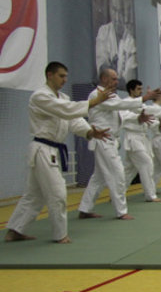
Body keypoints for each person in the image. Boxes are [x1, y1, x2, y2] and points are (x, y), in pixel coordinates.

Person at [5, 62, 113, 243]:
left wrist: (90, 132)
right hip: (43, 149)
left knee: (34, 195)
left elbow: (73, 120)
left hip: (52, 150)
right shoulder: (40, 96)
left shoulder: (63, 97)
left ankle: (15, 230)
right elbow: (65, 110)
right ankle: (60, 234)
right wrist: (93, 102)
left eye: (66, 76)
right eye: (61, 76)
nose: (64, 80)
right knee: (57, 193)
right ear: (50, 75)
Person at [78, 68, 161, 220]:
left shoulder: (112, 96)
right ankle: (121, 211)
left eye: (117, 79)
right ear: (104, 79)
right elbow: (121, 105)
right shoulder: (97, 95)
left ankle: (85, 208)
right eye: (114, 79)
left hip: (109, 140)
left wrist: (138, 118)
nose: (117, 82)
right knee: (117, 174)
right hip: (103, 140)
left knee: (99, 178)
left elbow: (122, 113)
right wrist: (144, 98)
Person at [121, 79, 161, 203]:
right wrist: (137, 117)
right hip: (133, 138)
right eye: (138, 89)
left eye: (141, 89)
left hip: (143, 138)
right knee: (147, 163)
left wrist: (159, 126)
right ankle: (150, 195)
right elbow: (124, 116)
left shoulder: (142, 105)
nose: (141, 91)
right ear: (131, 90)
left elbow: (149, 118)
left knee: (129, 170)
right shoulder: (125, 103)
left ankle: (117, 194)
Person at [95, 0, 137, 84]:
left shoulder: (131, 41)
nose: (117, 17)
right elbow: (101, 64)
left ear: (126, 12)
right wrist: (110, 70)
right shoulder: (104, 31)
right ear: (110, 8)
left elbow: (128, 78)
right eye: (114, 10)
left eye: (120, 12)